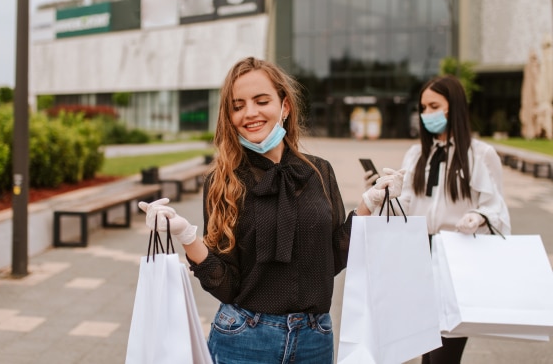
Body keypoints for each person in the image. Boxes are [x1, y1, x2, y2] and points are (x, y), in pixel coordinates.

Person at [138, 56, 403, 364]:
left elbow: (332, 258)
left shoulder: (318, 172)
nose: (250, 113)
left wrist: (368, 205)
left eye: (261, 101)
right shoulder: (223, 181)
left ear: (284, 106)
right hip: (244, 338)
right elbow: (225, 285)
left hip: (315, 339)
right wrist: (186, 235)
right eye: (238, 106)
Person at [362, 74, 511, 364]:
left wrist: (477, 217)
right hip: (418, 256)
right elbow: (406, 205)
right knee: (425, 348)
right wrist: (384, 193)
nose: (426, 114)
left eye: (434, 106)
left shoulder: (480, 154)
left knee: (447, 349)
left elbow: (497, 207)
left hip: (457, 256)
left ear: (454, 107)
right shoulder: (418, 154)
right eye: (423, 108)